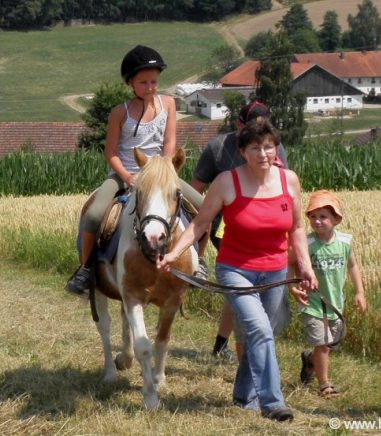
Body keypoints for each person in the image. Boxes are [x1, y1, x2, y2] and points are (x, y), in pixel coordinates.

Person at [158, 118, 316, 422]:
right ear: (243, 152)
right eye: (255, 147)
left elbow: (296, 228)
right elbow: (200, 224)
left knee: (259, 334)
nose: (263, 154)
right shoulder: (227, 182)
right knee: (260, 330)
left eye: (268, 147)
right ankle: (272, 402)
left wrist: (305, 266)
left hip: (275, 271)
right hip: (236, 270)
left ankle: (244, 396)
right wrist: (173, 254)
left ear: (276, 149)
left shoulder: (289, 181)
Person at [66, 45, 204, 295]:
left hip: (161, 175)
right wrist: (128, 176)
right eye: (143, 83)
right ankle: (85, 269)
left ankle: (200, 263)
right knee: (95, 215)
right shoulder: (120, 113)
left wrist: (162, 172)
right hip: (125, 174)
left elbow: (169, 143)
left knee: (204, 208)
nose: (150, 87)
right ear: (130, 83)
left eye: (154, 81)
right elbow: (111, 153)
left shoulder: (169, 105)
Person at [190, 100, 289, 361]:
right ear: (238, 125)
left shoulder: (274, 148)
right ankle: (247, 349)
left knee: (244, 291)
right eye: (250, 128)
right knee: (245, 285)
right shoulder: (218, 147)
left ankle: (227, 345)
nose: (259, 140)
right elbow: (196, 188)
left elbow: (283, 188)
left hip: (264, 226)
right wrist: (196, 230)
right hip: (227, 226)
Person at [288, 190, 367, 398]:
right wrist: (293, 287)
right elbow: (289, 263)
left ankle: (310, 361)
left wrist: (359, 292)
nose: (317, 221)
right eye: (313, 217)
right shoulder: (306, 244)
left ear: (336, 219)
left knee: (330, 344)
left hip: (334, 303)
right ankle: (324, 384)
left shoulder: (345, 242)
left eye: (323, 217)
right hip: (312, 303)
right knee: (323, 344)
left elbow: (353, 266)